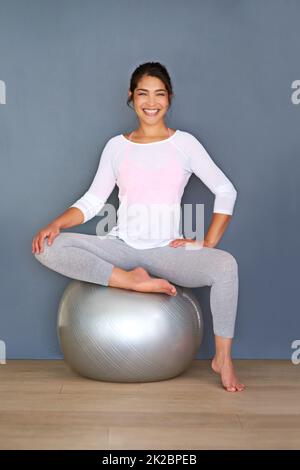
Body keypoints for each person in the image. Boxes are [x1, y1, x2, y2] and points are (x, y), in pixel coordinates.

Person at [32, 62, 245, 392]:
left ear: (169, 98)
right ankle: (131, 281)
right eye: (143, 93)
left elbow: (225, 190)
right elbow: (93, 200)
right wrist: (55, 224)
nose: (151, 102)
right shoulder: (116, 147)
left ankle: (223, 358)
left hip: (166, 251)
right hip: (121, 246)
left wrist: (209, 242)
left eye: (159, 94)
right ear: (131, 97)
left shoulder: (183, 144)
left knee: (226, 266)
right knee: (47, 246)